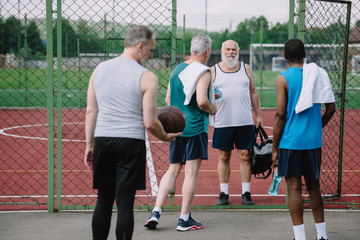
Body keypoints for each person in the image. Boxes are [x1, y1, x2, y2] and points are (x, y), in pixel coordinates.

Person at [84, 25, 181, 240]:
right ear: (140, 46)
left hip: (103, 138)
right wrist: (165, 136)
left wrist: (90, 145)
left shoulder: (99, 69)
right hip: (130, 142)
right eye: (151, 50)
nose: (151, 54)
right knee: (125, 201)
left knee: (104, 199)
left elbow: (91, 112)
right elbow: (150, 121)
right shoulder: (147, 77)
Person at [144, 34, 217, 231]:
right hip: (194, 127)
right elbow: (202, 101)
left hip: (177, 128)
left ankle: (156, 212)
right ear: (207, 51)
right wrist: (213, 109)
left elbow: (168, 99)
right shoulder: (204, 71)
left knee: (173, 169)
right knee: (191, 172)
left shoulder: (177, 69)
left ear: (192, 49)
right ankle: (184, 218)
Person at [272, 38, 336, 240]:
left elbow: (281, 115)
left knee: (294, 189)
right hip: (312, 141)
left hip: (291, 141)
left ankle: (300, 237)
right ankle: (322, 236)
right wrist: (317, 126)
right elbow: (331, 108)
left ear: (285, 56)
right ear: (305, 54)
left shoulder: (283, 78)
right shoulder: (317, 75)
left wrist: (275, 148)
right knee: (314, 187)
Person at [211, 40, 262, 205]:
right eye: (228, 49)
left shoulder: (246, 68)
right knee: (224, 156)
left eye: (234, 49)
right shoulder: (214, 71)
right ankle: (223, 193)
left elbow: (253, 92)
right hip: (223, 121)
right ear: (221, 51)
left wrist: (258, 115)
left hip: (244, 121)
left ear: (238, 51)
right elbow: (208, 93)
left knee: (245, 156)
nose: (231, 52)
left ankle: (246, 192)